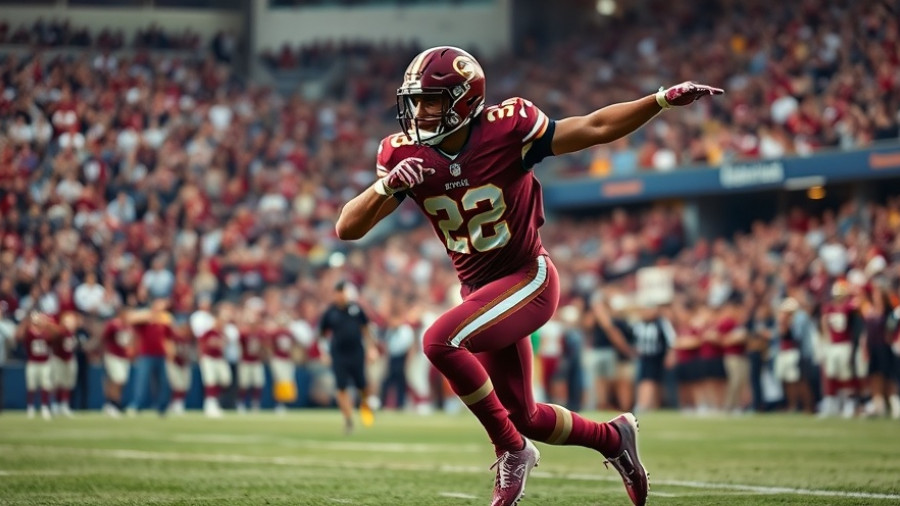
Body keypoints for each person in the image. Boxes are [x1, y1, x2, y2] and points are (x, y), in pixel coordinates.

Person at [335, 45, 722, 506]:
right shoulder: (403, 155)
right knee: (526, 414)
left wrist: (657, 100)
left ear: (463, 100)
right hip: (482, 292)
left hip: (528, 278)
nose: (418, 111)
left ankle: (511, 450)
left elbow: (594, 127)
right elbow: (347, 228)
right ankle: (614, 438)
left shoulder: (508, 129)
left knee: (439, 341)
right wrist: (386, 185)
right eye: (415, 101)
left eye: (431, 101)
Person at [318, 281, 380, 434]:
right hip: (338, 353)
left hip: (356, 352)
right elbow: (322, 334)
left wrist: (371, 349)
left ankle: (366, 411)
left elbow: (366, 329)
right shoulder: (330, 312)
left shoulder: (356, 309)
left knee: (362, 385)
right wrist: (324, 352)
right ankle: (348, 419)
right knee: (341, 387)